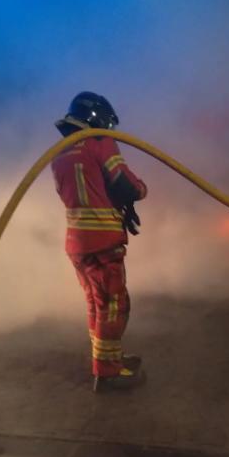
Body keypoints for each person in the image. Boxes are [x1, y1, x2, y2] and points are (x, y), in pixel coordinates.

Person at [51, 92, 148, 391]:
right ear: (98, 120)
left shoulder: (60, 153)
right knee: (115, 304)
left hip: (77, 243)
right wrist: (140, 191)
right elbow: (124, 183)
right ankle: (107, 373)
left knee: (96, 303)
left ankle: (109, 358)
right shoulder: (99, 143)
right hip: (103, 242)